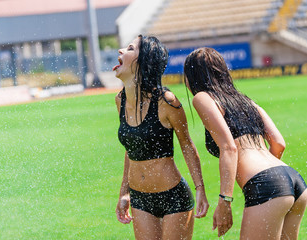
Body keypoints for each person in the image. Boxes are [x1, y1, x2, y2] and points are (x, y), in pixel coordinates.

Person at [183, 47, 307, 239]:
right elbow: (279, 143)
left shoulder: (203, 98)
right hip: (294, 180)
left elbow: (229, 147)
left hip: (269, 185)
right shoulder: (246, 101)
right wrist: (273, 179)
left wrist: (225, 200)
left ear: (192, 76)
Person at [113, 35, 209, 239]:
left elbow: (187, 145)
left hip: (173, 196)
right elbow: (131, 149)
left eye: (129, 48)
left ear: (143, 61)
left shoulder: (166, 101)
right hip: (140, 199)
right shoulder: (120, 100)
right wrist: (125, 192)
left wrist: (200, 188)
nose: (121, 51)